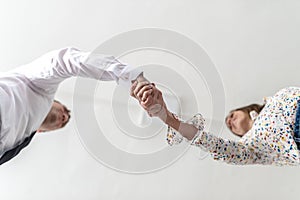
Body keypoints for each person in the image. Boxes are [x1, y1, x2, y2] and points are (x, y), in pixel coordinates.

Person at [0, 47, 148, 165]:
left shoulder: (20, 139)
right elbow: (64, 61)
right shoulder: (40, 88)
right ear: (55, 101)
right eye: (65, 110)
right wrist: (130, 76)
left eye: (62, 123)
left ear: (41, 131)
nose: (64, 117)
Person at [130, 81, 300, 166]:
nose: (229, 120)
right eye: (231, 126)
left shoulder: (272, 100)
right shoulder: (250, 146)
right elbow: (218, 147)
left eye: (232, 115)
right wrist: (168, 118)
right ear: (241, 135)